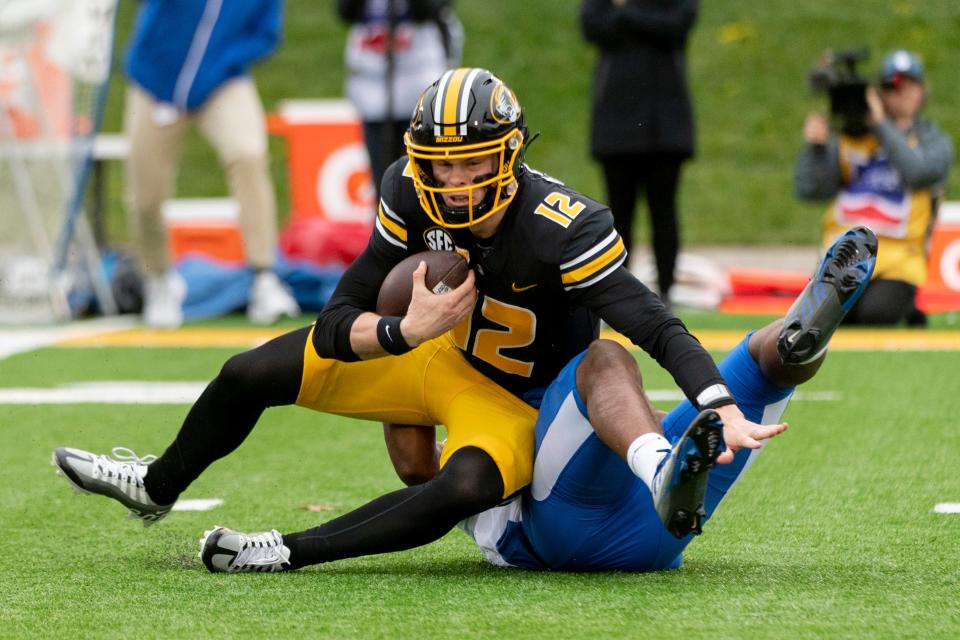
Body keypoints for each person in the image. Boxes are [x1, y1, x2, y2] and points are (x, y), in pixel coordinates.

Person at [55, 68, 781, 572]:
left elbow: (651, 322)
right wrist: (404, 332)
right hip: (430, 350)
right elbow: (343, 308)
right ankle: (156, 486)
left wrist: (716, 400)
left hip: (512, 399)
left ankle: (282, 549)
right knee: (250, 371)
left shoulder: (561, 223)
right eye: (442, 166)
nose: (455, 182)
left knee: (456, 485)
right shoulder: (409, 188)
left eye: (472, 164)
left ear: (509, 153)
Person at [198, 226, 878, 572]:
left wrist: (286, 548)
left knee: (759, 366)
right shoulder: (455, 385)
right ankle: (763, 368)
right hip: (591, 521)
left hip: (620, 520)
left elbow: (414, 470)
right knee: (609, 359)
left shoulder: (452, 391)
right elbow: (422, 475)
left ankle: (789, 343)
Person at [125, 0, 300, 328]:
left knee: (248, 152)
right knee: (145, 194)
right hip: (155, 79)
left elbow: (265, 35)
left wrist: (219, 63)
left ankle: (264, 276)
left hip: (222, 80)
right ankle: (159, 278)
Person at [795, 49, 954, 326]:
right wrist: (816, 149)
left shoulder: (934, 140)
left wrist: (880, 125)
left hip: (898, 261)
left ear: (922, 91)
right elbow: (810, 189)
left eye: (908, 84)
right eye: (891, 86)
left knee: (874, 315)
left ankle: (907, 305)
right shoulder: (850, 139)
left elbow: (919, 172)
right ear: (877, 93)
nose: (900, 92)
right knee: (821, 320)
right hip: (841, 256)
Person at [581, 0, 699, 307]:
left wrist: (625, 12)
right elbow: (592, 26)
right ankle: (618, 296)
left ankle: (667, 293)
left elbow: (678, 24)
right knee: (619, 214)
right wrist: (647, 18)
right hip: (615, 123)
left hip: (666, 123)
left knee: (664, 212)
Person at [337, 0, 463, 195]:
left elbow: (432, 9)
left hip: (421, 91)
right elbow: (345, 12)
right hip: (374, 93)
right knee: (384, 180)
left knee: (426, 176)